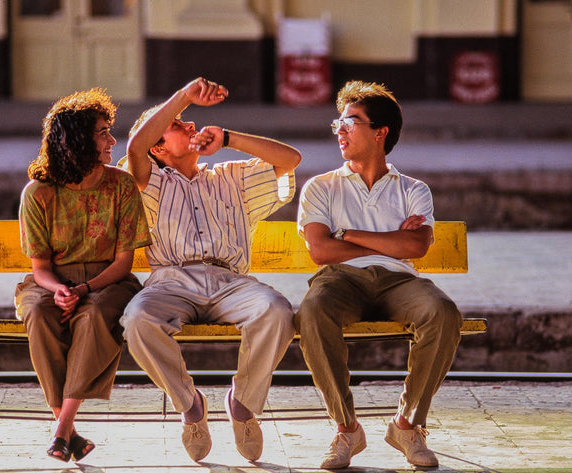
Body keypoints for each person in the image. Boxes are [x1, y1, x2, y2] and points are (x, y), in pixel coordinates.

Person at [119, 77, 302, 463]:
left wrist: (229, 137)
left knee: (277, 311)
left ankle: (243, 403)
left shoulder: (231, 175)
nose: (190, 125)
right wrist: (184, 95)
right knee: (137, 319)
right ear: (159, 147)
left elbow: (291, 160)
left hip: (230, 281)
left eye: (188, 120)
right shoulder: (147, 181)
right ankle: (190, 405)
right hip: (171, 280)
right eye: (176, 124)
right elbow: (135, 145)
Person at [294, 80, 463, 469]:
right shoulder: (321, 187)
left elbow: (415, 248)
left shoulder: (413, 189)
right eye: (337, 122)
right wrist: (389, 240)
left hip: (399, 281)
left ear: (379, 133)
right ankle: (346, 429)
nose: (340, 129)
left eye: (351, 121)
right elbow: (321, 250)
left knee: (443, 312)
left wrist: (349, 234)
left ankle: (406, 425)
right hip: (340, 280)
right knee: (312, 313)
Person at [15, 88, 151, 463]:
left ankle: (61, 428)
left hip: (110, 281)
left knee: (93, 316)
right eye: (103, 132)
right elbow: (39, 268)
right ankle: (69, 434)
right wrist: (61, 290)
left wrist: (85, 288)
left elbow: (124, 262)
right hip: (52, 282)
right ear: (76, 140)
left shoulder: (121, 185)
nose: (112, 140)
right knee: (39, 314)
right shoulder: (38, 193)